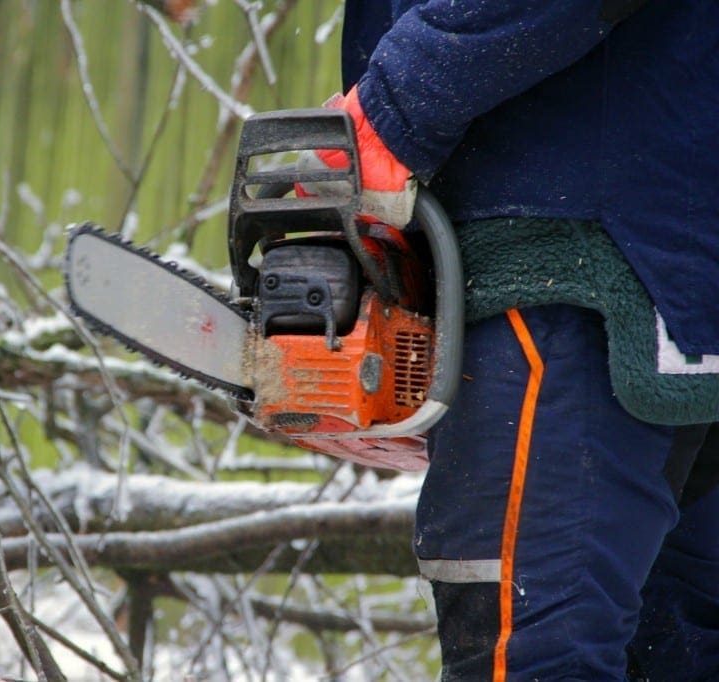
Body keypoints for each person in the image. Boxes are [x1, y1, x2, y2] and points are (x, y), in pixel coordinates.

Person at [306, 2, 719, 679]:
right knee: (679, 646)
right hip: (667, 240)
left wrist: (397, 103)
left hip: (575, 252)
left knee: (535, 654)